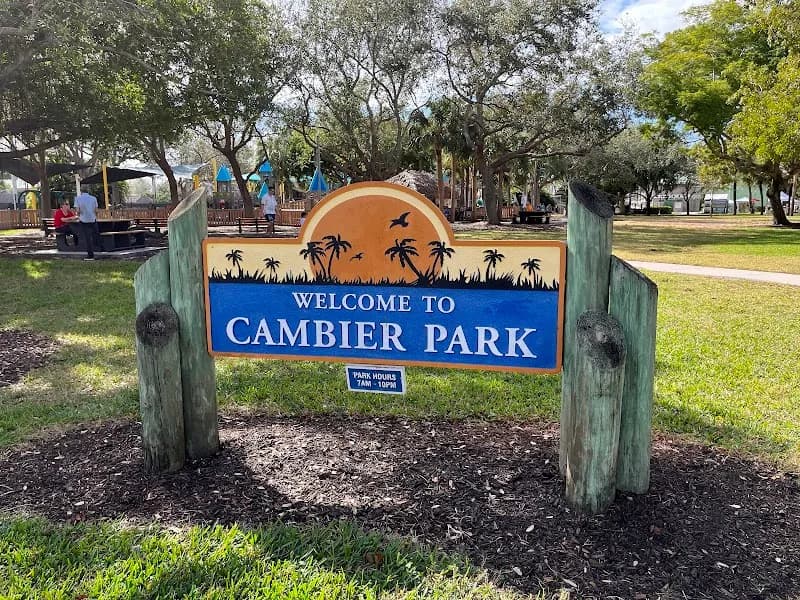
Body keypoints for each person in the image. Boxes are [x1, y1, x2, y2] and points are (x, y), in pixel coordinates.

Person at [74, 190, 99, 260]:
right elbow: (96, 210)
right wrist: (95, 216)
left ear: (81, 192)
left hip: (83, 220)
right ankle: (99, 250)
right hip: (93, 220)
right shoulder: (94, 198)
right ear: (88, 192)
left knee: (87, 238)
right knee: (95, 235)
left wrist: (79, 215)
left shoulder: (77, 199)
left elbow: (78, 211)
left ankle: (90, 255)